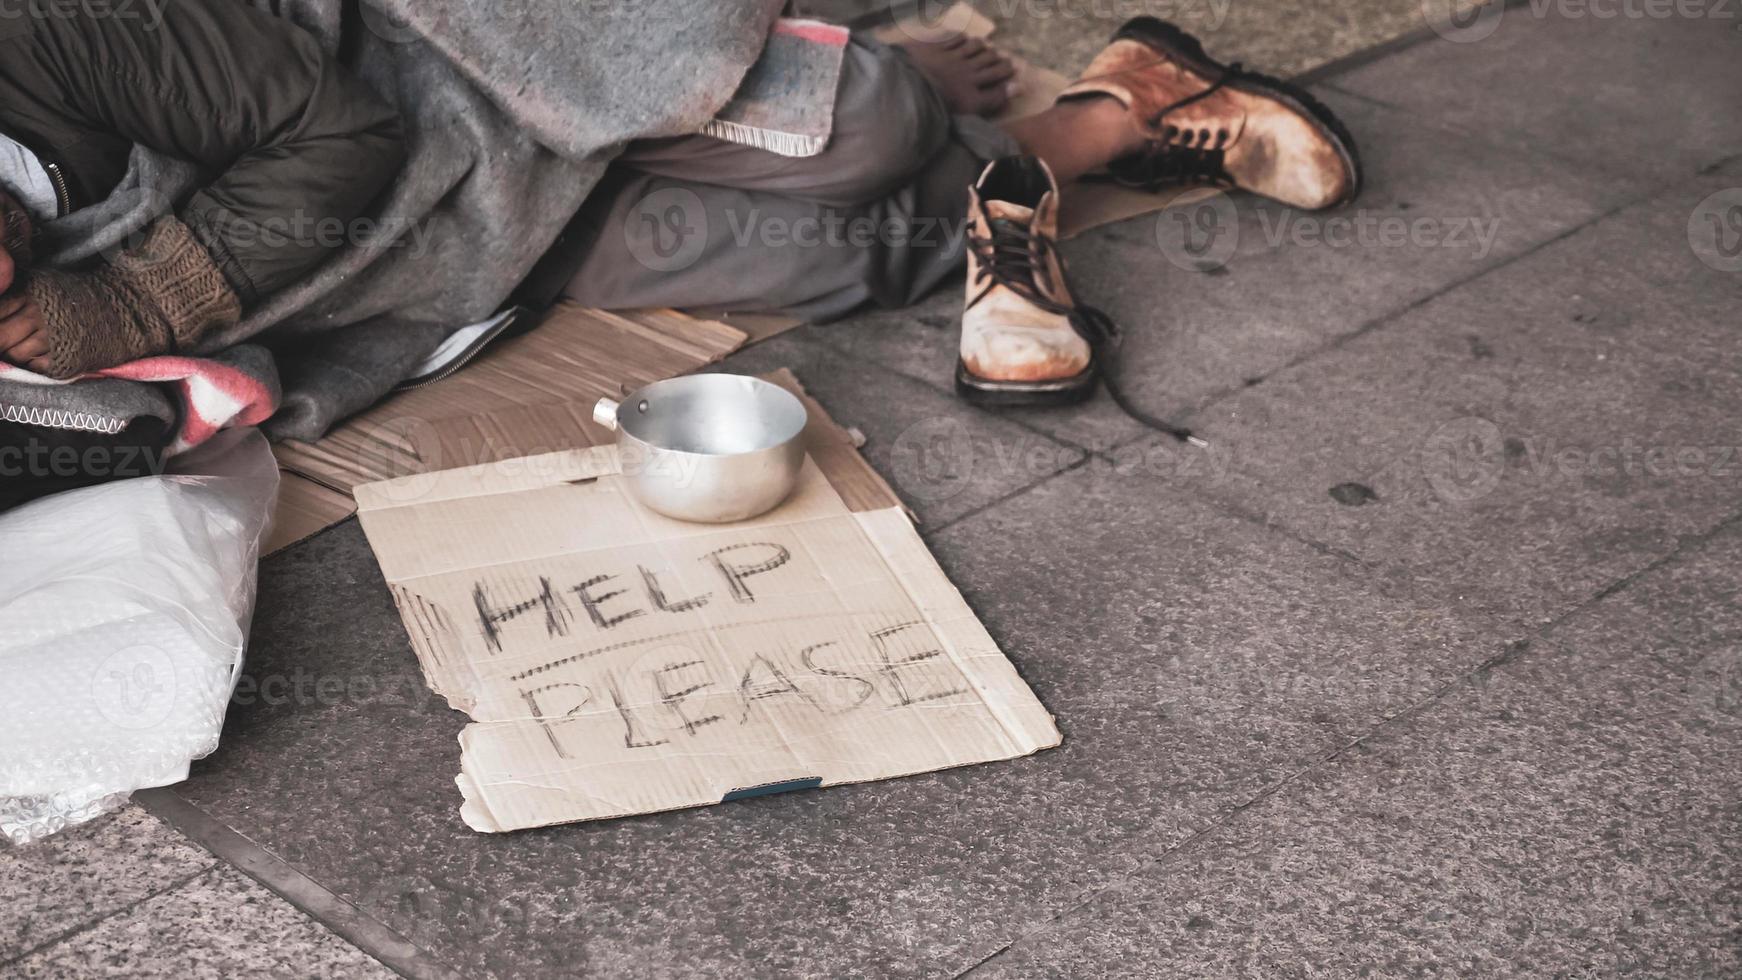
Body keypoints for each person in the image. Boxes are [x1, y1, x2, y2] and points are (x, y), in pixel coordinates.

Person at [0, 2, 1357, 477]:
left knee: (873, 124)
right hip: (437, 235)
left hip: (438, 70)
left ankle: (864, 62)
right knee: (848, 259)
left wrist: (133, 302)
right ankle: (1123, 108)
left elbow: (332, 125)